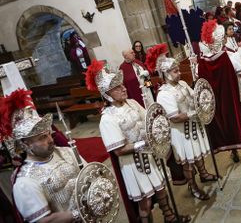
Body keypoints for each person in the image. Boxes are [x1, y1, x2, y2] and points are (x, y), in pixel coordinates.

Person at [86, 60, 190, 223]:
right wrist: (144, 144)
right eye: (118, 88)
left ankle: (169, 217)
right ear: (107, 94)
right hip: (133, 165)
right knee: (145, 202)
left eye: (122, 85)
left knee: (161, 189)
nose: (124, 88)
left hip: (150, 156)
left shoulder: (132, 103)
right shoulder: (107, 119)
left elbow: (149, 121)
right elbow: (118, 150)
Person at [1, 89, 86, 223]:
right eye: (42, 138)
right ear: (25, 144)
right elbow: (45, 221)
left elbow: (91, 174)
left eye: (48, 134)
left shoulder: (67, 152)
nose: (51, 140)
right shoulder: (25, 182)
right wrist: (81, 212)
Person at [145, 44, 217, 201]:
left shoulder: (183, 84)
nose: (179, 73)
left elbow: (195, 98)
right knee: (187, 162)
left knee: (197, 154)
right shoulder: (164, 94)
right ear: (165, 73)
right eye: (175, 71)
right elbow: (174, 117)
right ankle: (193, 186)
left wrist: (202, 97)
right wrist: (194, 112)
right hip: (180, 132)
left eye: (178, 70)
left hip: (193, 125)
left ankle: (204, 174)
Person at [197, 20, 241, 162]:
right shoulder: (231, 57)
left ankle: (233, 150)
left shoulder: (201, 64)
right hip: (234, 96)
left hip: (218, 103)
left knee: (226, 123)